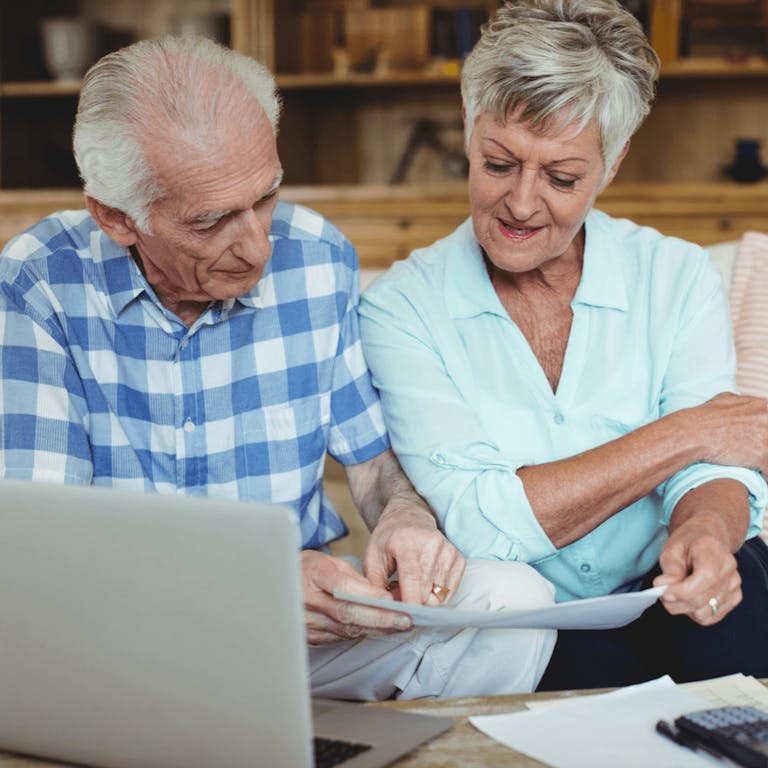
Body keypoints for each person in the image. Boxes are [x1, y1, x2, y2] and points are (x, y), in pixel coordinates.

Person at [0, 35, 557, 701]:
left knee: (513, 604)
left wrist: (405, 517)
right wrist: (246, 587)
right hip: (126, 638)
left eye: (265, 197)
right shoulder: (39, 280)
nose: (259, 246)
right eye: (212, 222)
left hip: (296, 638)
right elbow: (45, 545)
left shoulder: (318, 258)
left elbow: (375, 466)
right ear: (118, 218)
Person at [359, 0, 768, 690]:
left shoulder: (675, 273)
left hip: (663, 591)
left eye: (561, 177)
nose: (521, 204)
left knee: (737, 608)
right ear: (468, 128)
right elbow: (483, 523)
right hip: (525, 623)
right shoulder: (401, 309)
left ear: (611, 165)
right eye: (498, 163)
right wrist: (687, 432)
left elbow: (714, 470)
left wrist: (706, 531)